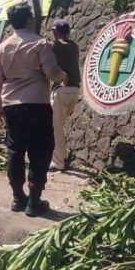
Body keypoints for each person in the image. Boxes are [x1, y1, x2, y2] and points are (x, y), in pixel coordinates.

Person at [0, 4, 68, 216]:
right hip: (36, 105)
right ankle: (34, 201)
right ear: (29, 21)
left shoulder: (1, 48)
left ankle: (18, 197)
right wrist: (63, 76)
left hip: (11, 107)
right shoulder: (39, 43)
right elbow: (52, 72)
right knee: (40, 151)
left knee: (15, 152)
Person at [48, 18, 82, 172]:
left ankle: (58, 162)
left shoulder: (54, 45)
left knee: (55, 128)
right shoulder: (74, 46)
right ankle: (63, 155)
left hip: (62, 90)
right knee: (59, 125)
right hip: (75, 91)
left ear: (55, 31)